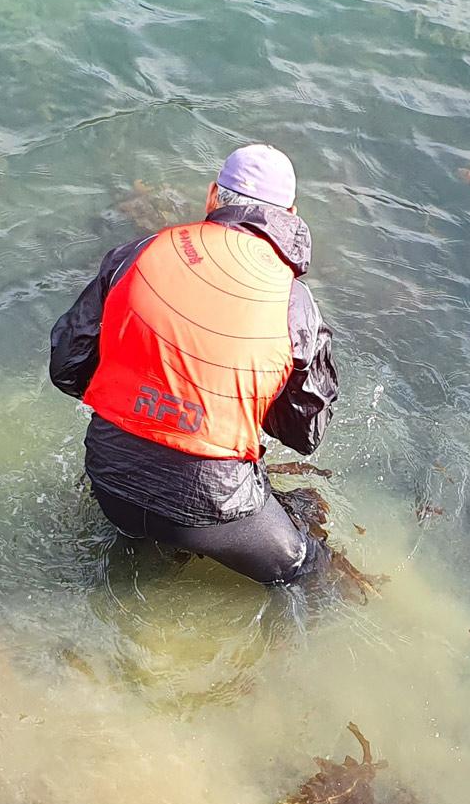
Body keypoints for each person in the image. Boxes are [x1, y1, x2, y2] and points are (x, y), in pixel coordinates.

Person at [48, 144, 339, 585]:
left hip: (111, 480)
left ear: (212, 197)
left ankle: (144, 538)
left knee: (140, 521)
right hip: (210, 504)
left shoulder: (138, 252)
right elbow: (304, 434)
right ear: (291, 214)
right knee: (306, 568)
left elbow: (67, 366)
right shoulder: (295, 303)